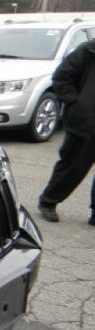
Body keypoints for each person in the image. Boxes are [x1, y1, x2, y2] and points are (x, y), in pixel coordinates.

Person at [38, 37, 95, 225]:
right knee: (72, 167)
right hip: (85, 122)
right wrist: (75, 103)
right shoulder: (88, 50)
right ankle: (48, 202)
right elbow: (62, 77)